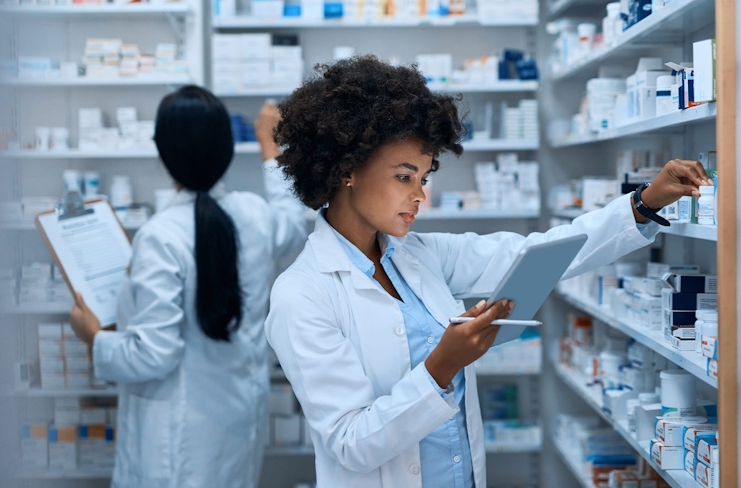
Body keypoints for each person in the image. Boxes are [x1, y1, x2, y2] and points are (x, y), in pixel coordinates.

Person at [264, 56, 711, 488]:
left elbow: (539, 254)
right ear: (347, 170)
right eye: (404, 177)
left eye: (423, 177)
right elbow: (350, 442)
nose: (420, 195)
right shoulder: (301, 294)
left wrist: (643, 202)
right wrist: (443, 364)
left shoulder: (417, 255)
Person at [67, 87, 307, 488]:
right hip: (235, 422)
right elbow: (295, 220)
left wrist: (93, 338)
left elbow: (152, 357)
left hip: (176, 439)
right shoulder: (254, 215)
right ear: (227, 149)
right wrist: (270, 145)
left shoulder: (160, 235)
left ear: (165, 155)